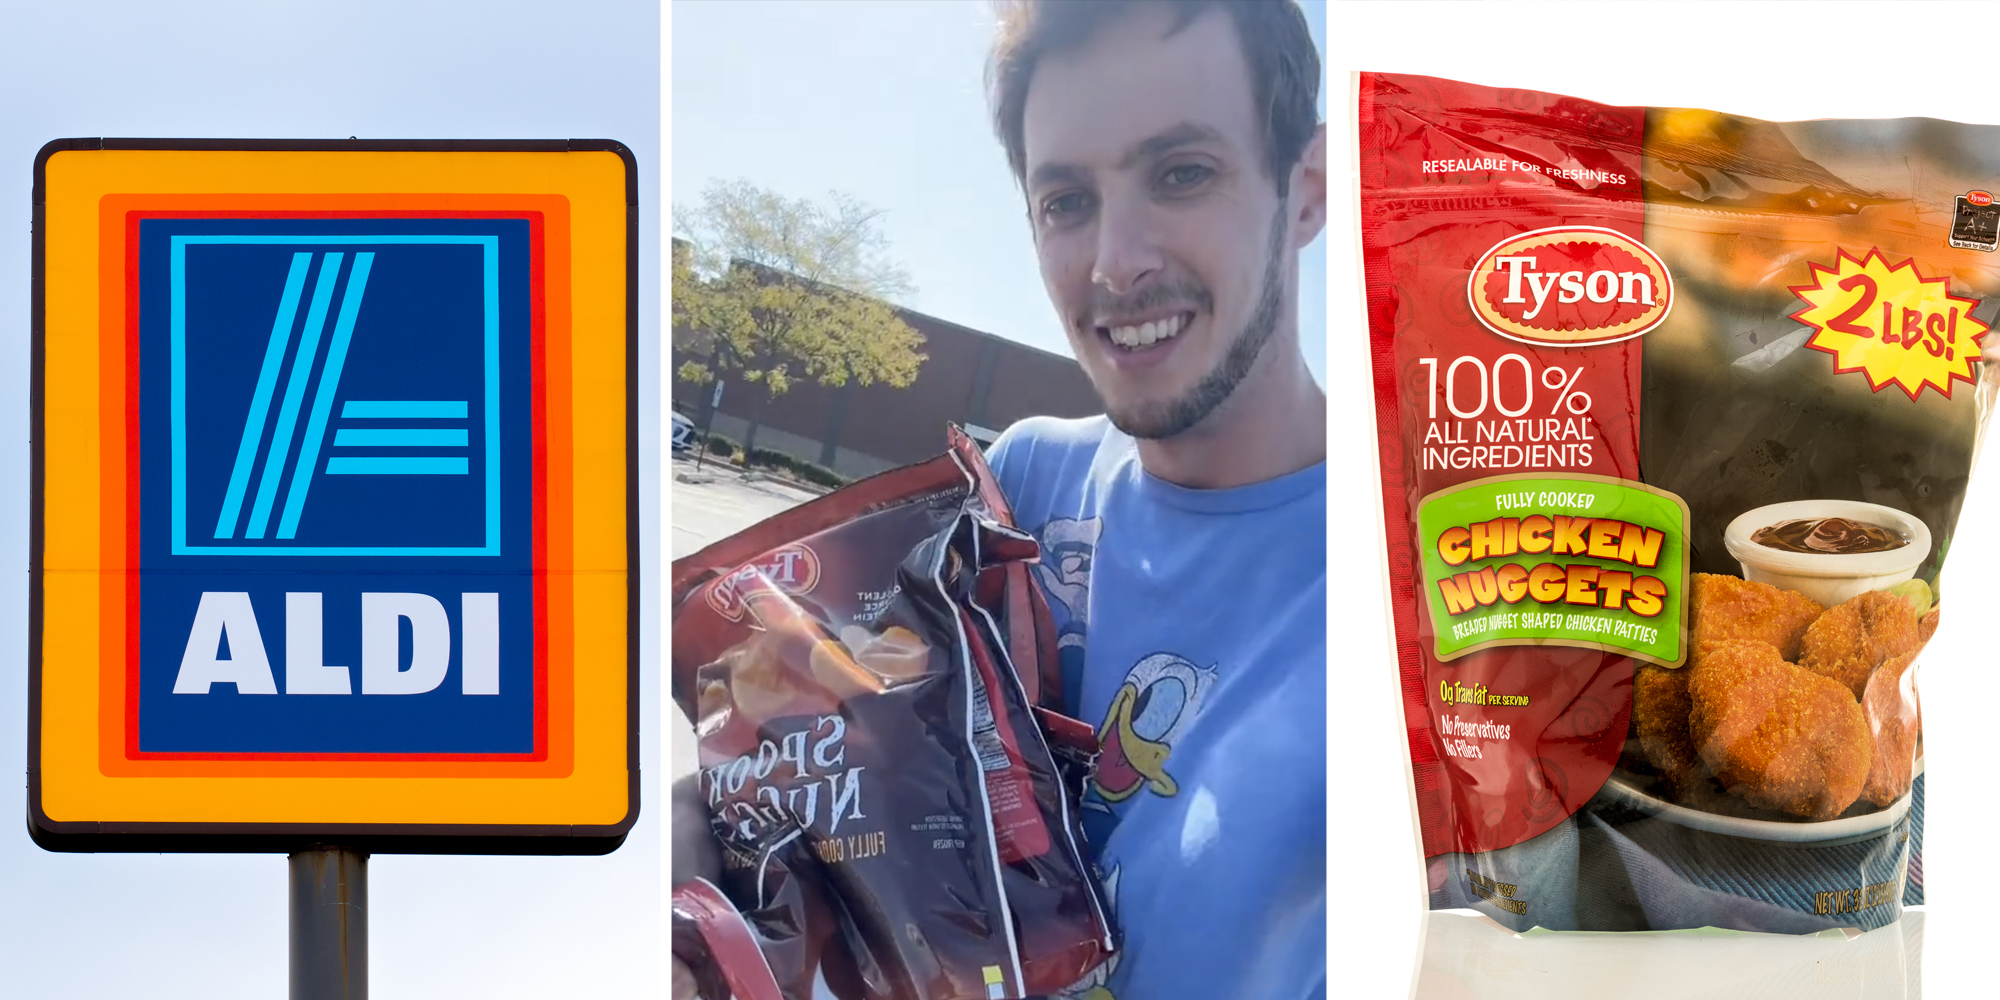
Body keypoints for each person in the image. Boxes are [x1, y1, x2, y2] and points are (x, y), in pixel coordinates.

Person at [675, 2, 1326, 997]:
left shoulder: (1421, 593)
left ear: (1307, 187)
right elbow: (804, 785)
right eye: (1065, 200)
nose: (1116, 264)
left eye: (1181, 173)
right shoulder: (1008, 493)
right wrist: (689, 878)